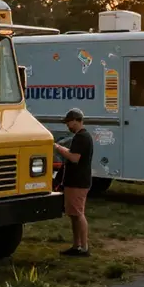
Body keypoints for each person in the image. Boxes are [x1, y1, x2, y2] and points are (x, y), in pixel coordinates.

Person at [53, 108, 94, 256]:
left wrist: (58, 148)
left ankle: (84, 247)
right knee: (73, 214)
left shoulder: (81, 138)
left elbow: (74, 158)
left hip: (78, 182)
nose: (67, 126)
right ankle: (77, 245)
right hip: (76, 181)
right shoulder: (83, 137)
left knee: (78, 214)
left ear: (77, 120)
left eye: (69, 123)